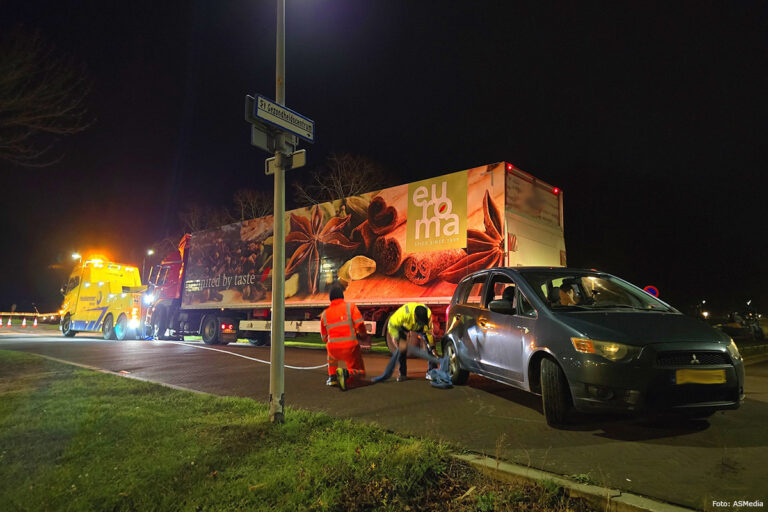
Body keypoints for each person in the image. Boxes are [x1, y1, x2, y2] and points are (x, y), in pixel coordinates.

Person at [374, 303, 437, 383]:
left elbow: (428, 333)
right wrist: (395, 337)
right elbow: (391, 325)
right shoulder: (403, 314)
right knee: (402, 349)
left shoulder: (428, 315)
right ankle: (402, 374)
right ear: (415, 316)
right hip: (404, 326)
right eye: (419, 321)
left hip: (421, 328)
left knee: (430, 349)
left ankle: (432, 372)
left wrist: (432, 347)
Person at [320, 284, 367, 391]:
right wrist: (363, 335)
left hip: (334, 349)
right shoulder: (351, 307)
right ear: (342, 296)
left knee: (330, 350)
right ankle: (347, 373)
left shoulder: (324, 314)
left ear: (330, 299)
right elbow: (360, 324)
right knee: (360, 372)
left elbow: (324, 337)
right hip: (350, 348)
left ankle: (332, 377)